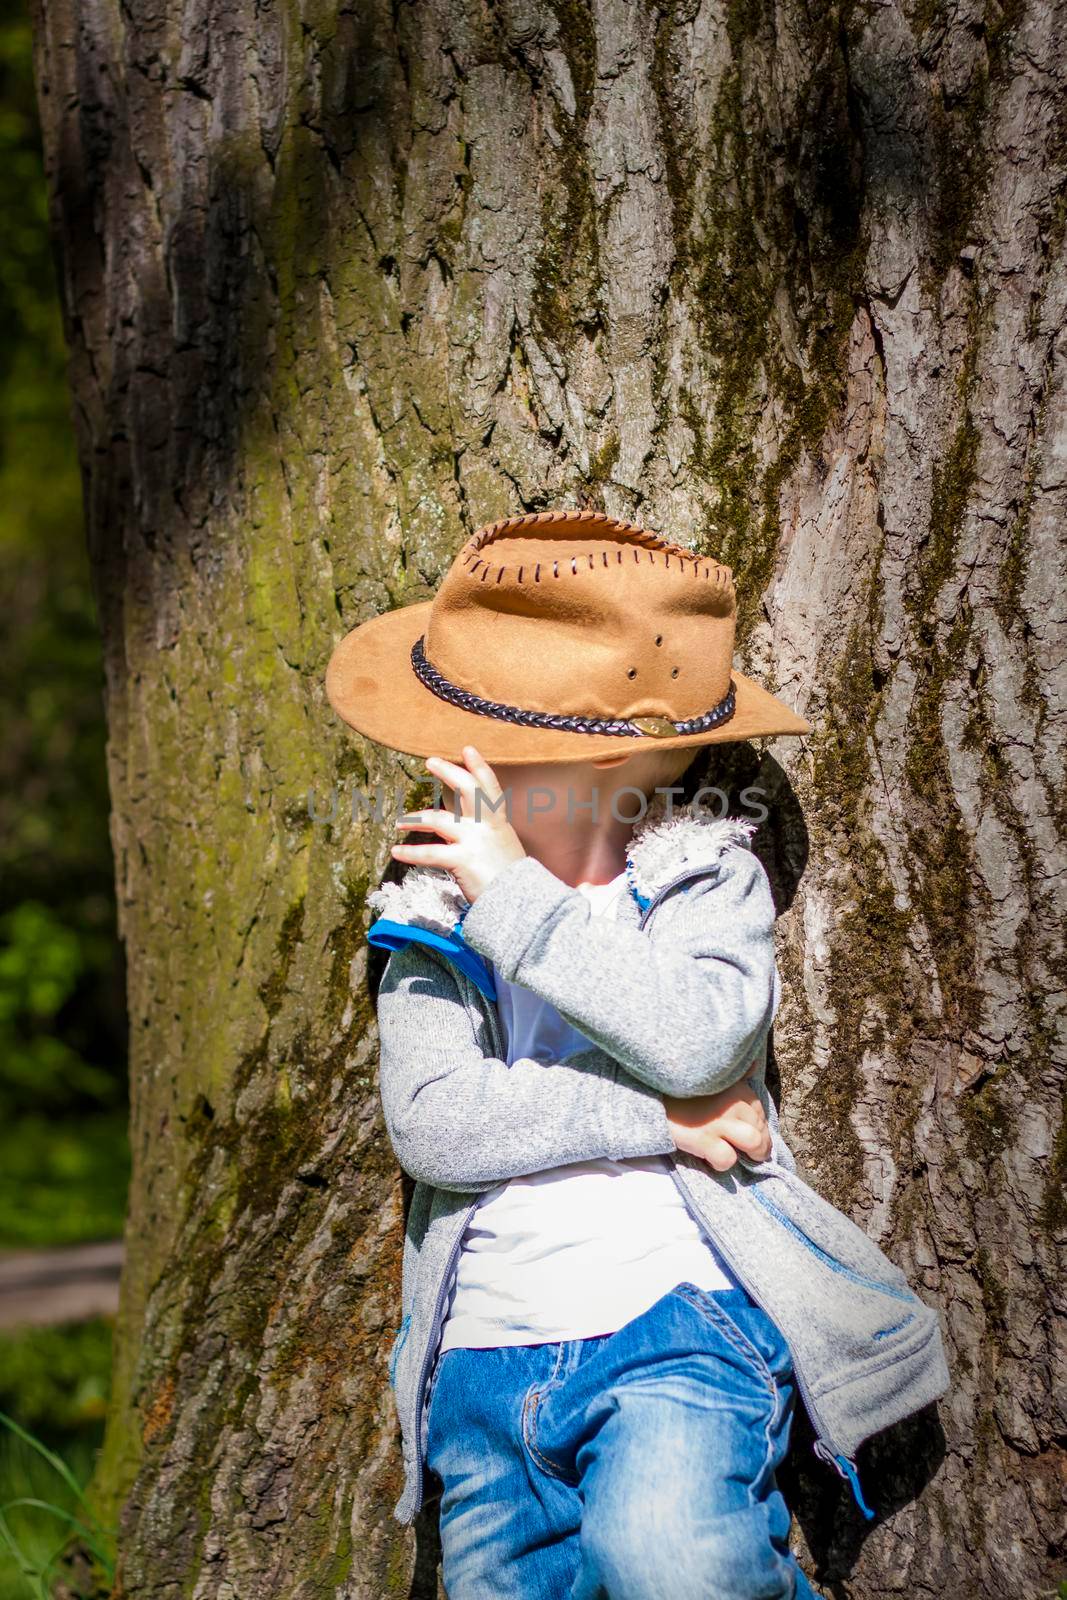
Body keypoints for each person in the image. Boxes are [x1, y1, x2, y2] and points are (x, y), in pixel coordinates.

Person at [325, 509, 951, 1599]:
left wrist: (516, 902)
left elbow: (698, 1038)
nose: (428, 761)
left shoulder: (696, 876)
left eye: (458, 735)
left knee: (674, 1563)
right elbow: (433, 1121)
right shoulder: (424, 908)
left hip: (673, 1327)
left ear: (585, 763)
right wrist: (657, 1120)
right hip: (480, 1362)